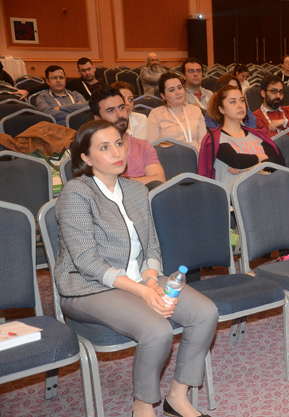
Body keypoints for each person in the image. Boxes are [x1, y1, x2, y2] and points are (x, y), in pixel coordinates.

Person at [55, 119, 218, 417]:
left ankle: (177, 399)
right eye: (104, 147)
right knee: (157, 330)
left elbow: (151, 246)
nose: (117, 152)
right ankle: (142, 408)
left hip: (139, 280)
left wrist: (151, 281)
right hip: (88, 288)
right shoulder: (76, 193)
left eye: (119, 143)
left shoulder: (135, 190)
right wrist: (143, 292)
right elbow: (86, 261)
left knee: (205, 313)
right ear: (86, 158)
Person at [199, 85, 283, 191]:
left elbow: (277, 161)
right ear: (221, 109)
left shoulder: (256, 135)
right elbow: (236, 161)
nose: (240, 105)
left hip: (266, 190)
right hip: (236, 197)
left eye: (242, 100)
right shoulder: (215, 139)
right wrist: (262, 156)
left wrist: (250, 167)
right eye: (233, 102)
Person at [90, 86, 165, 188]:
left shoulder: (143, 146)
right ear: (98, 119)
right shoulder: (91, 151)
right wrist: (141, 181)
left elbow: (159, 180)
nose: (120, 115)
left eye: (121, 107)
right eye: (111, 111)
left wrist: (122, 182)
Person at [147, 73, 206, 150]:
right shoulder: (155, 114)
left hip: (197, 155)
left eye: (179, 88)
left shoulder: (196, 110)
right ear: (163, 96)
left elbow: (203, 142)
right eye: (172, 90)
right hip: (170, 156)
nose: (178, 92)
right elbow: (153, 146)